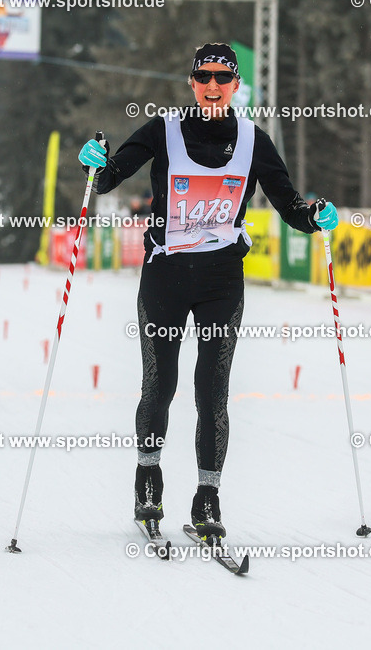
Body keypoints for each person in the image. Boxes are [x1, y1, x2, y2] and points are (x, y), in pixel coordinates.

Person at [78, 43, 339, 541]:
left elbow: (289, 205)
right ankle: (147, 482)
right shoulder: (163, 129)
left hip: (221, 281)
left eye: (223, 77)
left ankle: (207, 496)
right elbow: (108, 178)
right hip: (165, 277)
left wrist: (314, 217)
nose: (213, 86)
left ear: (236, 86)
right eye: (204, 77)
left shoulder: (253, 141)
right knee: (160, 387)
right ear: (192, 84)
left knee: (211, 393)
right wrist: (94, 162)